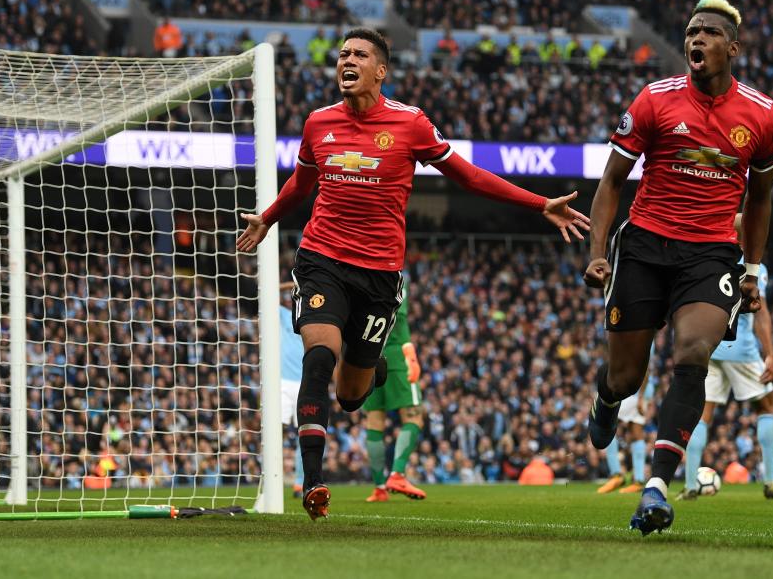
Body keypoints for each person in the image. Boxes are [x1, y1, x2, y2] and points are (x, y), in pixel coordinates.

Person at [236, 27, 589, 520]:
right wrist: (268, 217)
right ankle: (313, 483)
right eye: (342, 55)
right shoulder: (319, 123)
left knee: (352, 394)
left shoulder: (410, 124)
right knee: (318, 358)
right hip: (321, 259)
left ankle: (370, 365)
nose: (347, 61)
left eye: (359, 54)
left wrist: (539, 204)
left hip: (379, 274)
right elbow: (302, 182)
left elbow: (467, 175)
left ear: (380, 70)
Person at [582, 0, 773, 536]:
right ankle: (605, 399)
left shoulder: (761, 114)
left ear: (731, 48)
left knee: (692, 354)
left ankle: (657, 486)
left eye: (709, 33)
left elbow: (760, 200)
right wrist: (598, 251)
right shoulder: (654, 100)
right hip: (646, 247)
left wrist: (752, 269)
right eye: (691, 31)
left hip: (711, 252)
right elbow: (610, 182)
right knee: (626, 377)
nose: (696, 39)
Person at [680, 215, 773, 500]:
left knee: (702, 414)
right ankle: (772, 483)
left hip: (708, 347)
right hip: (741, 349)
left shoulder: (710, 263)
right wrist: (770, 354)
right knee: (767, 405)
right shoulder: (754, 270)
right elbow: (762, 315)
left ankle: (689, 485)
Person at [363, 275, 426, 502]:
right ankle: (397, 474)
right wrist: (410, 354)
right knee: (414, 416)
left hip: (367, 355)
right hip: (396, 356)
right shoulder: (395, 275)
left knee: (375, 420)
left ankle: (379, 487)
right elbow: (398, 317)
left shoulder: (357, 276)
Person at [597, 367, 655, 495]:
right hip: (642, 386)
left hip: (633, 387)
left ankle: (616, 474)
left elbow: (644, 366)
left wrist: (640, 396)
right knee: (636, 434)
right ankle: (638, 481)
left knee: (607, 421)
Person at [279, 282, 305, 497]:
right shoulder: (282, 314)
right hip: (282, 382)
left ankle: (300, 482)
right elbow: (265, 290)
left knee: (304, 434)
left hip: (305, 382)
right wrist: (294, 282)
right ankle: (271, 478)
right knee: (274, 430)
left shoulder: (312, 317)